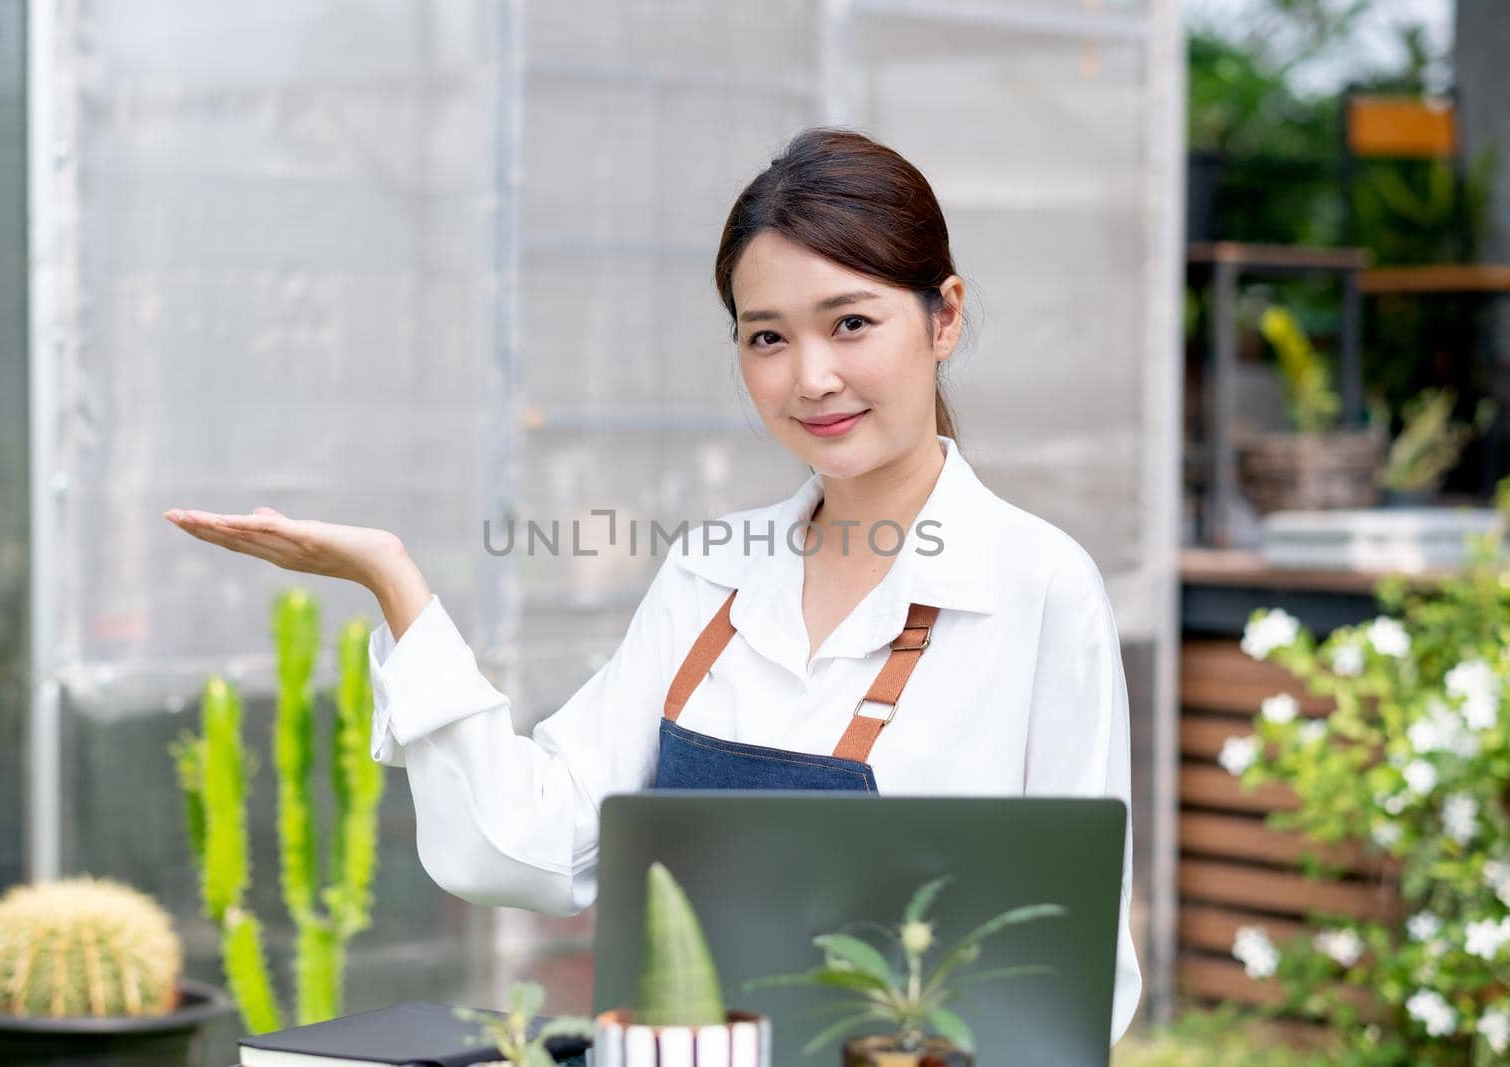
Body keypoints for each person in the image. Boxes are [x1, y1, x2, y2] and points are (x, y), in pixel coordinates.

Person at [165, 126, 1142, 1043]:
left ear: (944, 316)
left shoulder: (1036, 589)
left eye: (850, 322)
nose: (810, 377)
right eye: (765, 337)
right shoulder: (708, 569)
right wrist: (396, 584)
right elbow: (530, 845)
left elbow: (1077, 972)